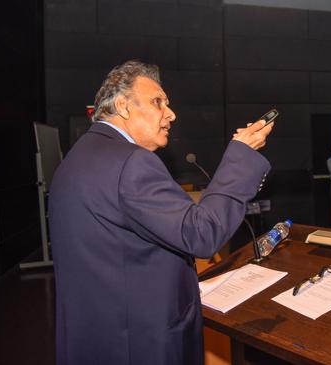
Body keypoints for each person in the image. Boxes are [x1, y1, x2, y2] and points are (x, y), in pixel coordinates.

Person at [48, 61, 273, 365]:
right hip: (142, 341)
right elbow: (202, 233)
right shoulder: (131, 162)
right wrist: (241, 154)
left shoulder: (76, 158)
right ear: (123, 106)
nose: (171, 113)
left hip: (98, 335)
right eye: (158, 102)